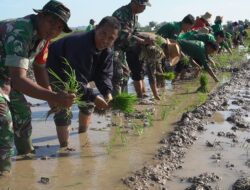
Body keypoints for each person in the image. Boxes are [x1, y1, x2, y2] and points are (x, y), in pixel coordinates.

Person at [0, 0, 75, 176]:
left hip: (6, 75)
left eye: (59, 28)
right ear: (40, 16)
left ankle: (26, 160)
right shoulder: (20, 31)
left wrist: (50, 98)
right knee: (3, 118)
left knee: (23, 114)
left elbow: (39, 68)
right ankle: (4, 173)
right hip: (11, 76)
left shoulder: (43, 39)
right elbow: (19, 80)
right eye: (51, 22)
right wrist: (55, 96)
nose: (54, 30)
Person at [46, 16, 121, 148]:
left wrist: (107, 93)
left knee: (88, 104)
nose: (105, 40)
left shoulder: (108, 50)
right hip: (57, 69)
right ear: (96, 28)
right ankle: (64, 148)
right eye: (103, 33)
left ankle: (83, 136)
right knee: (63, 108)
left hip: (81, 72)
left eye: (111, 38)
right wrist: (94, 96)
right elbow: (75, 79)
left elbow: (104, 75)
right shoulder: (80, 44)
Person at [112, 0, 154, 98]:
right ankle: (115, 102)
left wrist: (146, 38)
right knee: (118, 74)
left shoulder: (134, 16)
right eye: (143, 6)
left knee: (125, 73)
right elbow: (123, 33)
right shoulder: (121, 13)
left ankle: (123, 100)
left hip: (122, 49)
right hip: (113, 47)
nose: (144, 9)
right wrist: (142, 41)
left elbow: (134, 32)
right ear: (135, 3)